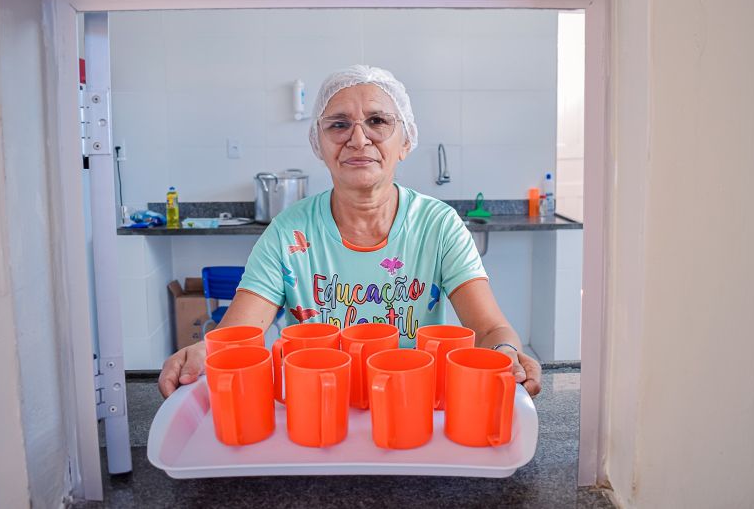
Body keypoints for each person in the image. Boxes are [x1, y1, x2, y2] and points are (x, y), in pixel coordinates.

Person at [159, 65, 542, 398]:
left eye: (378, 121)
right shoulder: (288, 233)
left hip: (413, 408)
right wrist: (205, 353)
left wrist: (506, 352)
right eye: (339, 125)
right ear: (319, 143)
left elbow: (490, 329)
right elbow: (237, 335)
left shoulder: (438, 225)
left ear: (406, 140)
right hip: (318, 412)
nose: (358, 140)